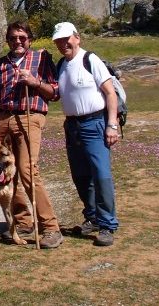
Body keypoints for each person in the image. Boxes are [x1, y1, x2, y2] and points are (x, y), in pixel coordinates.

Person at [0, 21, 63, 248]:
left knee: (28, 170)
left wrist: (34, 82)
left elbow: (55, 92)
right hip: (3, 118)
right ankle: (22, 221)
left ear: (29, 38)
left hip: (30, 116)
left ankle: (50, 227)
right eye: (12, 38)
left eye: (22, 37)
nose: (17, 41)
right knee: (8, 172)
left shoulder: (42, 58)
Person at [52, 22, 120, 247]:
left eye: (66, 39)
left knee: (101, 175)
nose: (63, 44)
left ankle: (107, 225)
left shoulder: (90, 60)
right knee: (80, 176)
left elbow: (110, 93)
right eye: (59, 41)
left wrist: (112, 125)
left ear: (77, 37)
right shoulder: (61, 64)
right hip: (72, 126)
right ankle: (92, 217)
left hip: (94, 122)